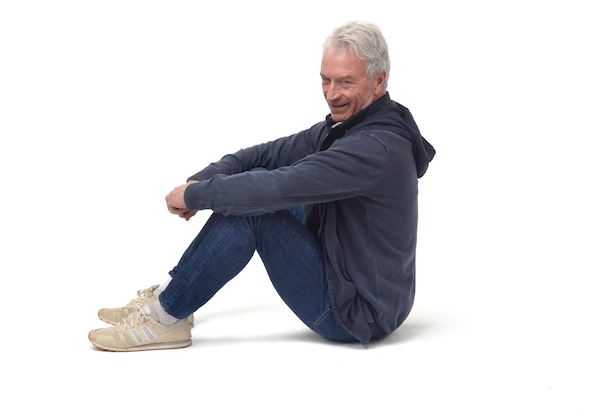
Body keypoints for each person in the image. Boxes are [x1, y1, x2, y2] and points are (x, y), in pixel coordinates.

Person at [88, 20, 436, 352]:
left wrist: (196, 196)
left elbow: (276, 187)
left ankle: (165, 317)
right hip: (345, 268)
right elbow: (269, 155)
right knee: (252, 180)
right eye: (325, 80)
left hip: (357, 314)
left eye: (345, 82)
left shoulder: (375, 148)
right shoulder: (349, 127)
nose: (332, 94)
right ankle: (173, 294)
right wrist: (202, 178)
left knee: (254, 209)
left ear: (379, 81)